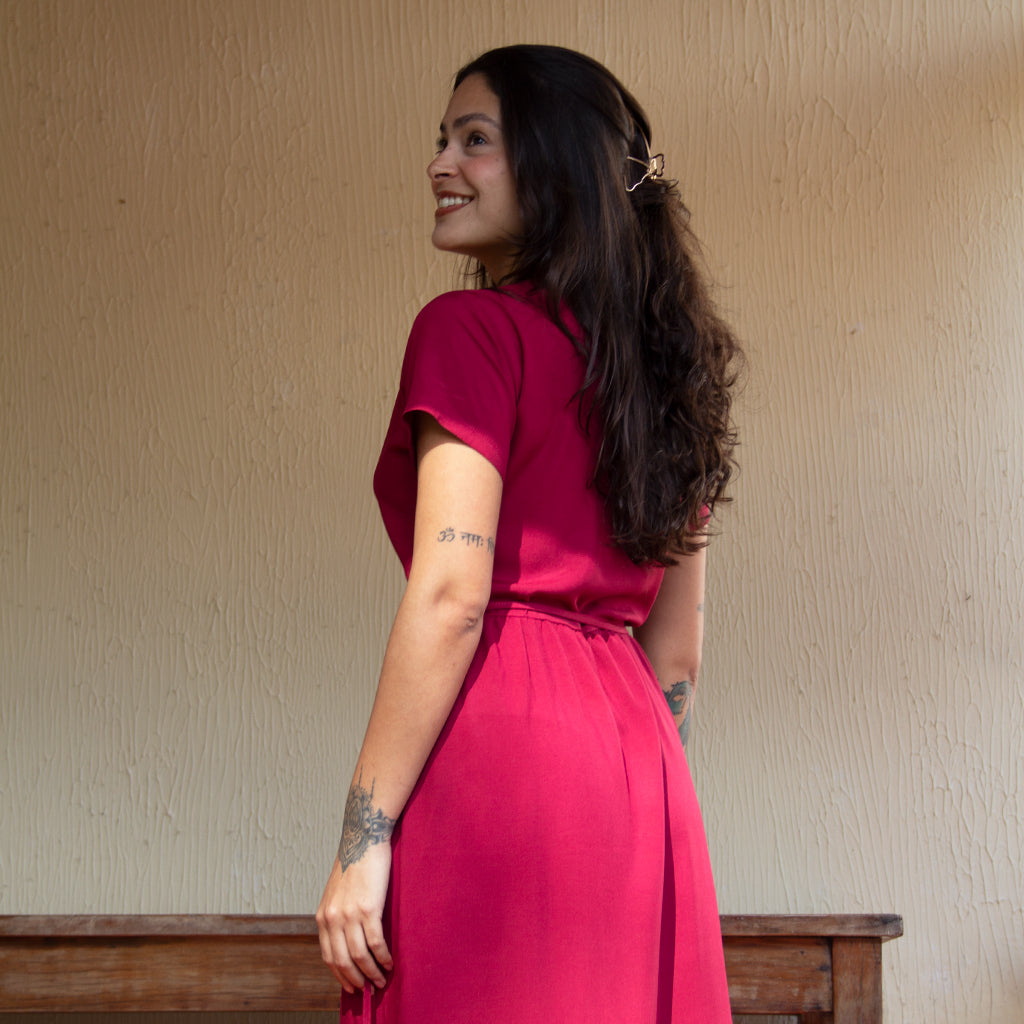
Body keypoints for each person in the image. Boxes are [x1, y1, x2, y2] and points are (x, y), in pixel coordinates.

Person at [316, 44, 741, 1023]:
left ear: (556, 166)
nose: (440, 164)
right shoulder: (664, 382)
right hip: (639, 775)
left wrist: (360, 844)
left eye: (476, 140)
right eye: (442, 140)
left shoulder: (470, 332)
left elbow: (449, 595)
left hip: (503, 749)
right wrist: (641, 813)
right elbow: (676, 655)